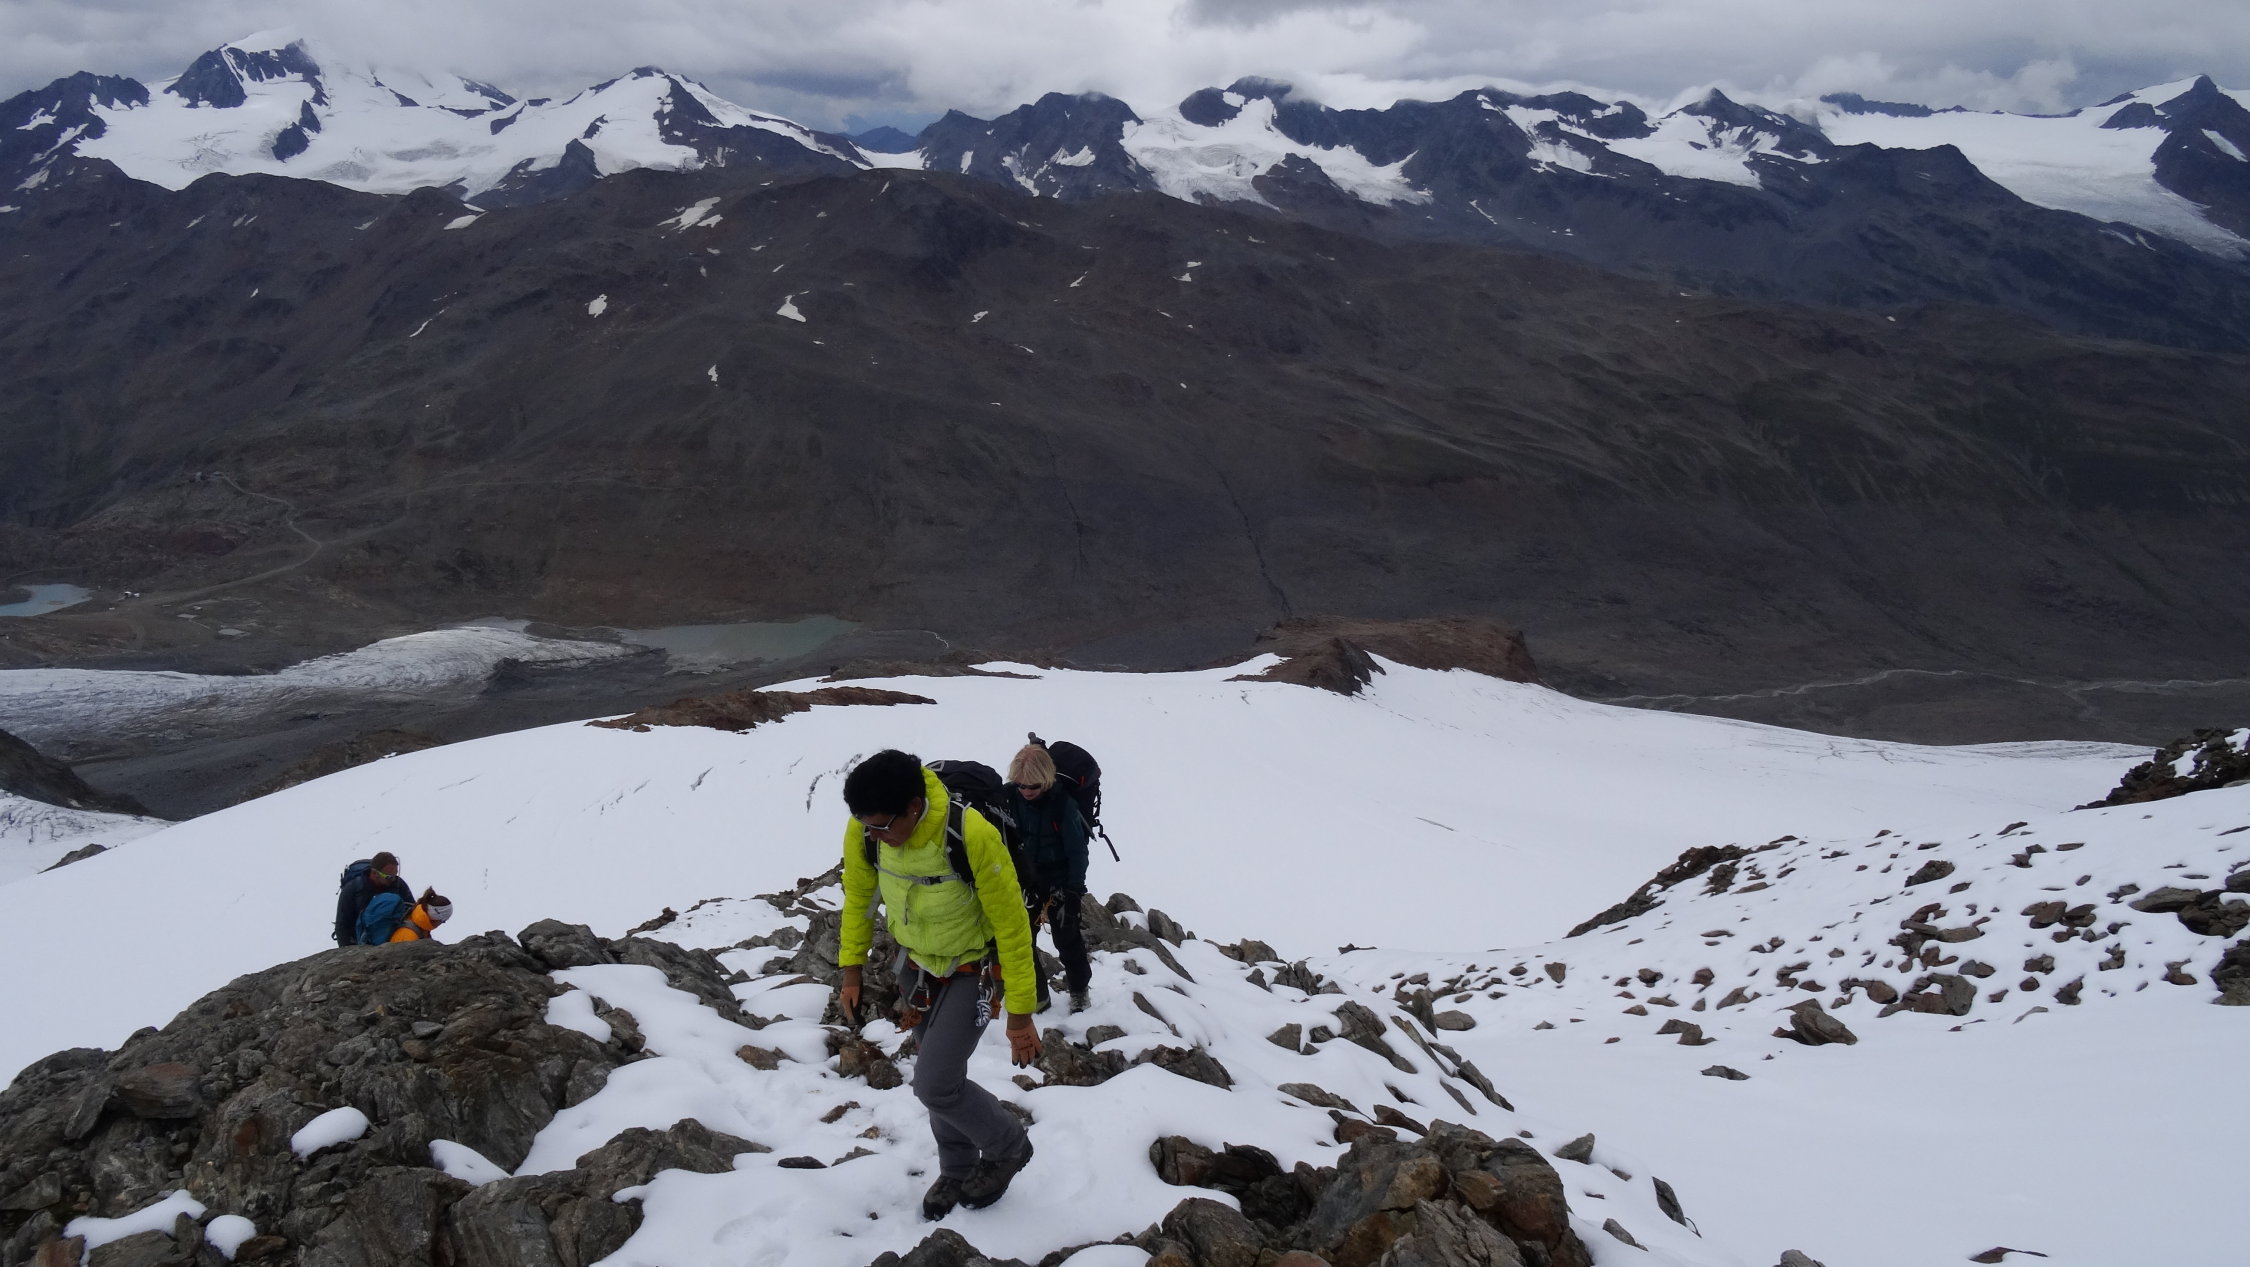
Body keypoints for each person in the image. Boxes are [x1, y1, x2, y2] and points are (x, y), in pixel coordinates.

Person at [837, 749, 1041, 1220]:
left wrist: (1020, 1015)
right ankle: (957, 1167)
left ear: (914, 806)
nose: (873, 836)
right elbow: (859, 896)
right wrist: (851, 969)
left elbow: (1013, 926)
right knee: (941, 1078)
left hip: (974, 970)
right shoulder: (866, 828)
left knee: (934, 1084)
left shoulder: (972, 834)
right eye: (866, 826)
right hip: (916, 969)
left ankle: (1009, 1145)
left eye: (882, 826)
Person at [1005, 744, 1092, 1014]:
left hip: (1059, 882)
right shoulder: (1009, 798)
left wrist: (1074, 891)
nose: (1026, 791)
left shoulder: (1063, 805)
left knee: (1066, 939)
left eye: (1032, 786)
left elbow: (1077, 852)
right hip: (1026, 879)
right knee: (1022, 940)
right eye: (1021, 785)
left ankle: (1079, 990)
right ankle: (1038, 996)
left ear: (1044, 779)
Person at [334, 852, 411, 948]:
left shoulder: (398, 884)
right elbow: (342, 925)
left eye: (395, 875)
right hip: (362, 946)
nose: (393, 880)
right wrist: (348, 952)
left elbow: (412, 910)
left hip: (396, 941)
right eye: (388, 877)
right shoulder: (353, 889)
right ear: (374, 873)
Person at [386, 889, 454, 942]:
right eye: (443, 921)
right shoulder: (408, 935)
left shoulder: (421, 927)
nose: (442, 923)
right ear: (436, 918)